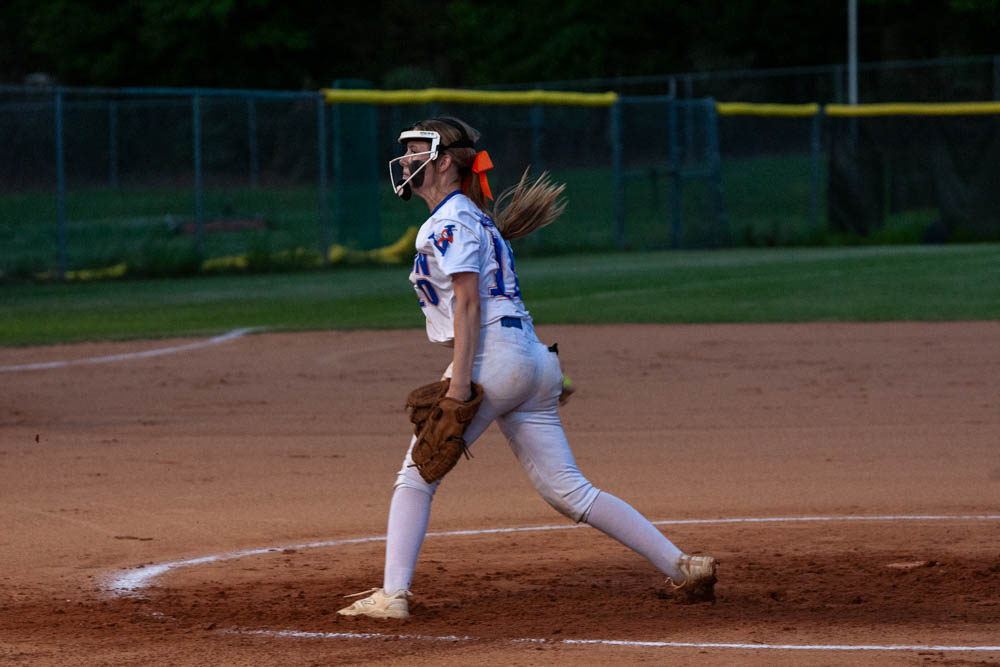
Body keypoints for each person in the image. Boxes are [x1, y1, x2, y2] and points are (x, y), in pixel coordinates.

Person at [338, 116, 717, 619]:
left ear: (444, 163)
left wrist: (459, 384)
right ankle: (683, 566)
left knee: (417, 475)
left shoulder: (450, 221)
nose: (405, 160)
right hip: (529, 358)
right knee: (570, 491)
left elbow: (469, 302)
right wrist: (546, 373)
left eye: (414, 151)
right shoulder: (476, 218)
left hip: (492, 358)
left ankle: (393, 596)